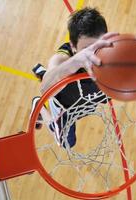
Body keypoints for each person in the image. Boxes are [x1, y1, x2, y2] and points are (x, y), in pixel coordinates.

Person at [31, 7, 117, 148]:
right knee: (66, 143)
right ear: (73, 46)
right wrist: (75, 62)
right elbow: (45, 89)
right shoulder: (61, 59)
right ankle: (38, 107)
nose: (93, 55)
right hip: (65, 107)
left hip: (84, 103)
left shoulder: (114, 55)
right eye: (86, 50)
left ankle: (42, 73)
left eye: (98, 47)